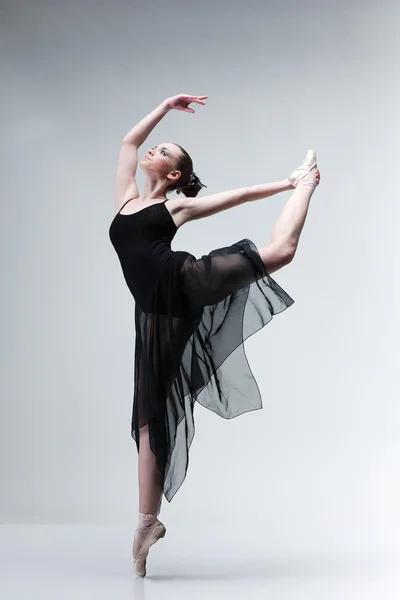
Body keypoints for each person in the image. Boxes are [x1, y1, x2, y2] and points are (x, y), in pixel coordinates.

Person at [108, 94, 320, 576]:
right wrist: (164, 106)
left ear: (176, 175)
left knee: (280, 252)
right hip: (153, 312)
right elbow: (128, 141)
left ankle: (307, 184)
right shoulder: (126, 198)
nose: (151, 151)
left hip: (185, 282)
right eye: (156, 147)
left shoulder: (175, 210)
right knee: (147, 416)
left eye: (163, 151)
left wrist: (288, 182)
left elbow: (239, 195)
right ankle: (147, 524)